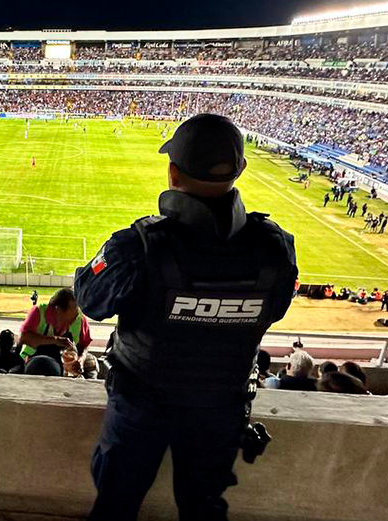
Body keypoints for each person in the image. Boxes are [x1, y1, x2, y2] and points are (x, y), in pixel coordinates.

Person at [73, 114, 298, 520]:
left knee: (116, 504)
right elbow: (275, 310)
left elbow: (91, 300)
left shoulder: (139, 244)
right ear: (240, 170)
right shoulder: (276, 247)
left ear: (172, 172)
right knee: (204, 508)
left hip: (141, 404)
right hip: (222, 407)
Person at [18, 288, 92, 364]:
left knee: (91, 363)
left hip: (66, 364)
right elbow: (23, 338)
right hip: (33, 360)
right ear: (58, 309)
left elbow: (84, 345)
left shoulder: (80, 319)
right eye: (73, 312)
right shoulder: (39, 312)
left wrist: (82, 358)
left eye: (77, 311)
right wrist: (55, 340)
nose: (76, 317)